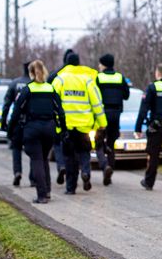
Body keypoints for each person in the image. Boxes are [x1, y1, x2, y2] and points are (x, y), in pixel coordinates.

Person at [8, 60, 66, 204]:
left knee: (37, 160)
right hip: (49, 129)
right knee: (44, 158)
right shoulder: (50, 89)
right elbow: (61, 111)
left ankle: (41, 195)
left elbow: (16, 112)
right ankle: (47, 192)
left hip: (32, 129)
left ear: (31, 73)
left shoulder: (28, 90)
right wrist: (63, 130)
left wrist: (10, 130)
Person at [52, 58, 106, 194]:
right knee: (84, 152)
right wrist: (102, 123)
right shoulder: (87, 80)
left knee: (69, 157)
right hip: (84, 126)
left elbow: (52, 100)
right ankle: (86, 173)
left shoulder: (60, 79)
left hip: (67, 127)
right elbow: (97, 104)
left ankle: (71, 188)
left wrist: (55, 122)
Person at [135, 62, 162, 193]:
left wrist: (138, 128)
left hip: (156, 127)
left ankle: (149, 182)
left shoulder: (153, 87)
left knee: (153, 155)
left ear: (158, 73)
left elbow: (143, 109)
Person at [94, 53, 130, 186]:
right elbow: (126, 95)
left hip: (102, 115)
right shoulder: (120, 77)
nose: (98, 66)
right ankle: (110, 170)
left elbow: (94, 96)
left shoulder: (98, 77)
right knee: (111, 144)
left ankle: (104, 166)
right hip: (116, 115)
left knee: (98, 143)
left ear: (103, 64)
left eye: (100, 63)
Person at [48, 49, 79, 185]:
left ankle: (61, 166)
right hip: (78, 119)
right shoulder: (82, 76)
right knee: (75, 148)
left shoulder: (55, 75)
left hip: (56, 117)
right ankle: (75, 173)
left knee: (57, 144)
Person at [1, 62, 35, 187]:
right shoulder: (35, 84)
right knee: (34, 152)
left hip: (17, 122)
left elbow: (7, 105)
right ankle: (33, 178)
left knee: (16, 149)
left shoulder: (14, 83)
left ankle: (17, 172)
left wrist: (4, 121)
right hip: (31, 123)